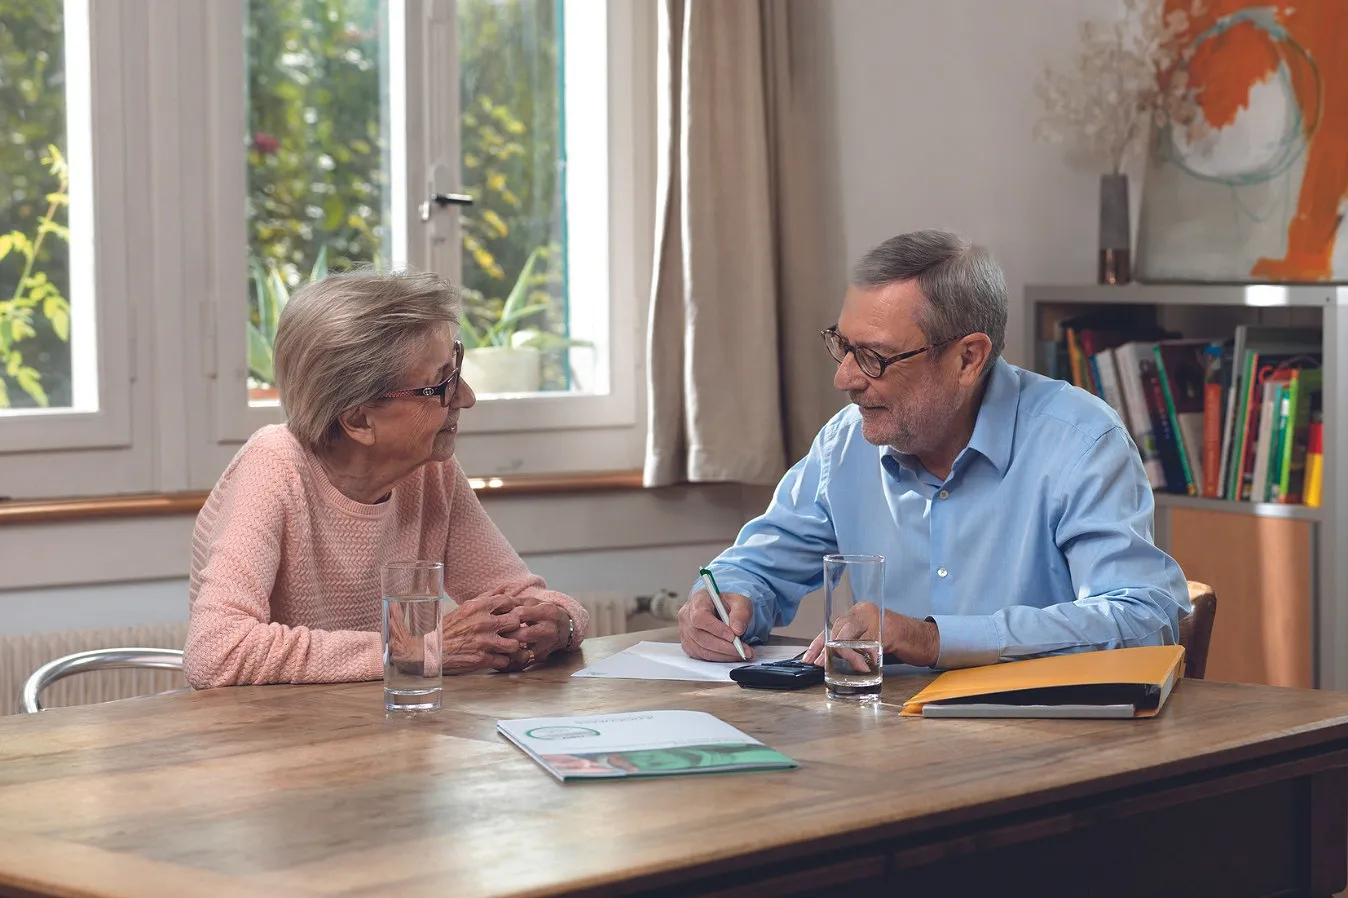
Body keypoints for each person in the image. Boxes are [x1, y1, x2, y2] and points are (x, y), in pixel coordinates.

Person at [678, 229, 1189, 669]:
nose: (844, 379)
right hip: (887, 748)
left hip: (1045, 751)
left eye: (874, 357)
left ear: (968, 358)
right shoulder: (845, 443)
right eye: (842, 346)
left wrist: (932, 639)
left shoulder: (1080, 443)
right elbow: (757, 567)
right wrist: (721, 598)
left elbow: (1141, 620)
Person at [184, 270, 588, 688]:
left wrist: (560, 624)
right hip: (275, 742)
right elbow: (217, 651)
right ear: (359, 419)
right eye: (440, 384)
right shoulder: (273, 466)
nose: (465, 397)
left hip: (391, 731)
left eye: (457, 366)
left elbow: (524, 596)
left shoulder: (431, 471)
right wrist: (416, 648)